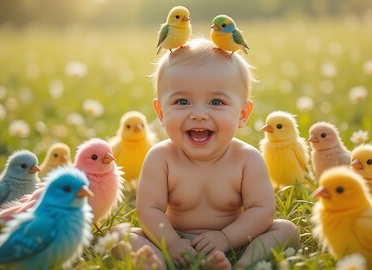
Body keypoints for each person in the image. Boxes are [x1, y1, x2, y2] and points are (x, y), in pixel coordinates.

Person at [112, 38, 300, 270]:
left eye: (216, 102)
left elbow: (262, 211)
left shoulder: (246, 159)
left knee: (286, 230)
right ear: (161, 112)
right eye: (182, 101)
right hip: (173, 238)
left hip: (237, 238)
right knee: (119, 234)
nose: (199, 114)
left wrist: (226, 238)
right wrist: (170, 242)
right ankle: (156, 263)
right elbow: (149, 209)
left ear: (242, 114)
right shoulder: (161, 158)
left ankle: (244, 264)